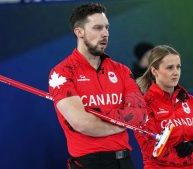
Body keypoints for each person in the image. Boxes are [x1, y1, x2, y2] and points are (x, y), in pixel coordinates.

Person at [48, 3, 146, 169]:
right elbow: (82, 123)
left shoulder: (121, 70)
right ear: (79, 32)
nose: (105, 34)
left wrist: (102, 116)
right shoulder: (61, 73)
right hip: (90, 163)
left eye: (107, 28)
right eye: (98, 28)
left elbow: (140, 116)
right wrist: (123, 123)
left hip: (125, 161)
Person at [135, 45, 193, 169]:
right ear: (154, 71)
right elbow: (153, 151)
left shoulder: (189, 100)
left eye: (178, 67)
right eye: (170, 68)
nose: (176, 72)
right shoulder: (144, 105)